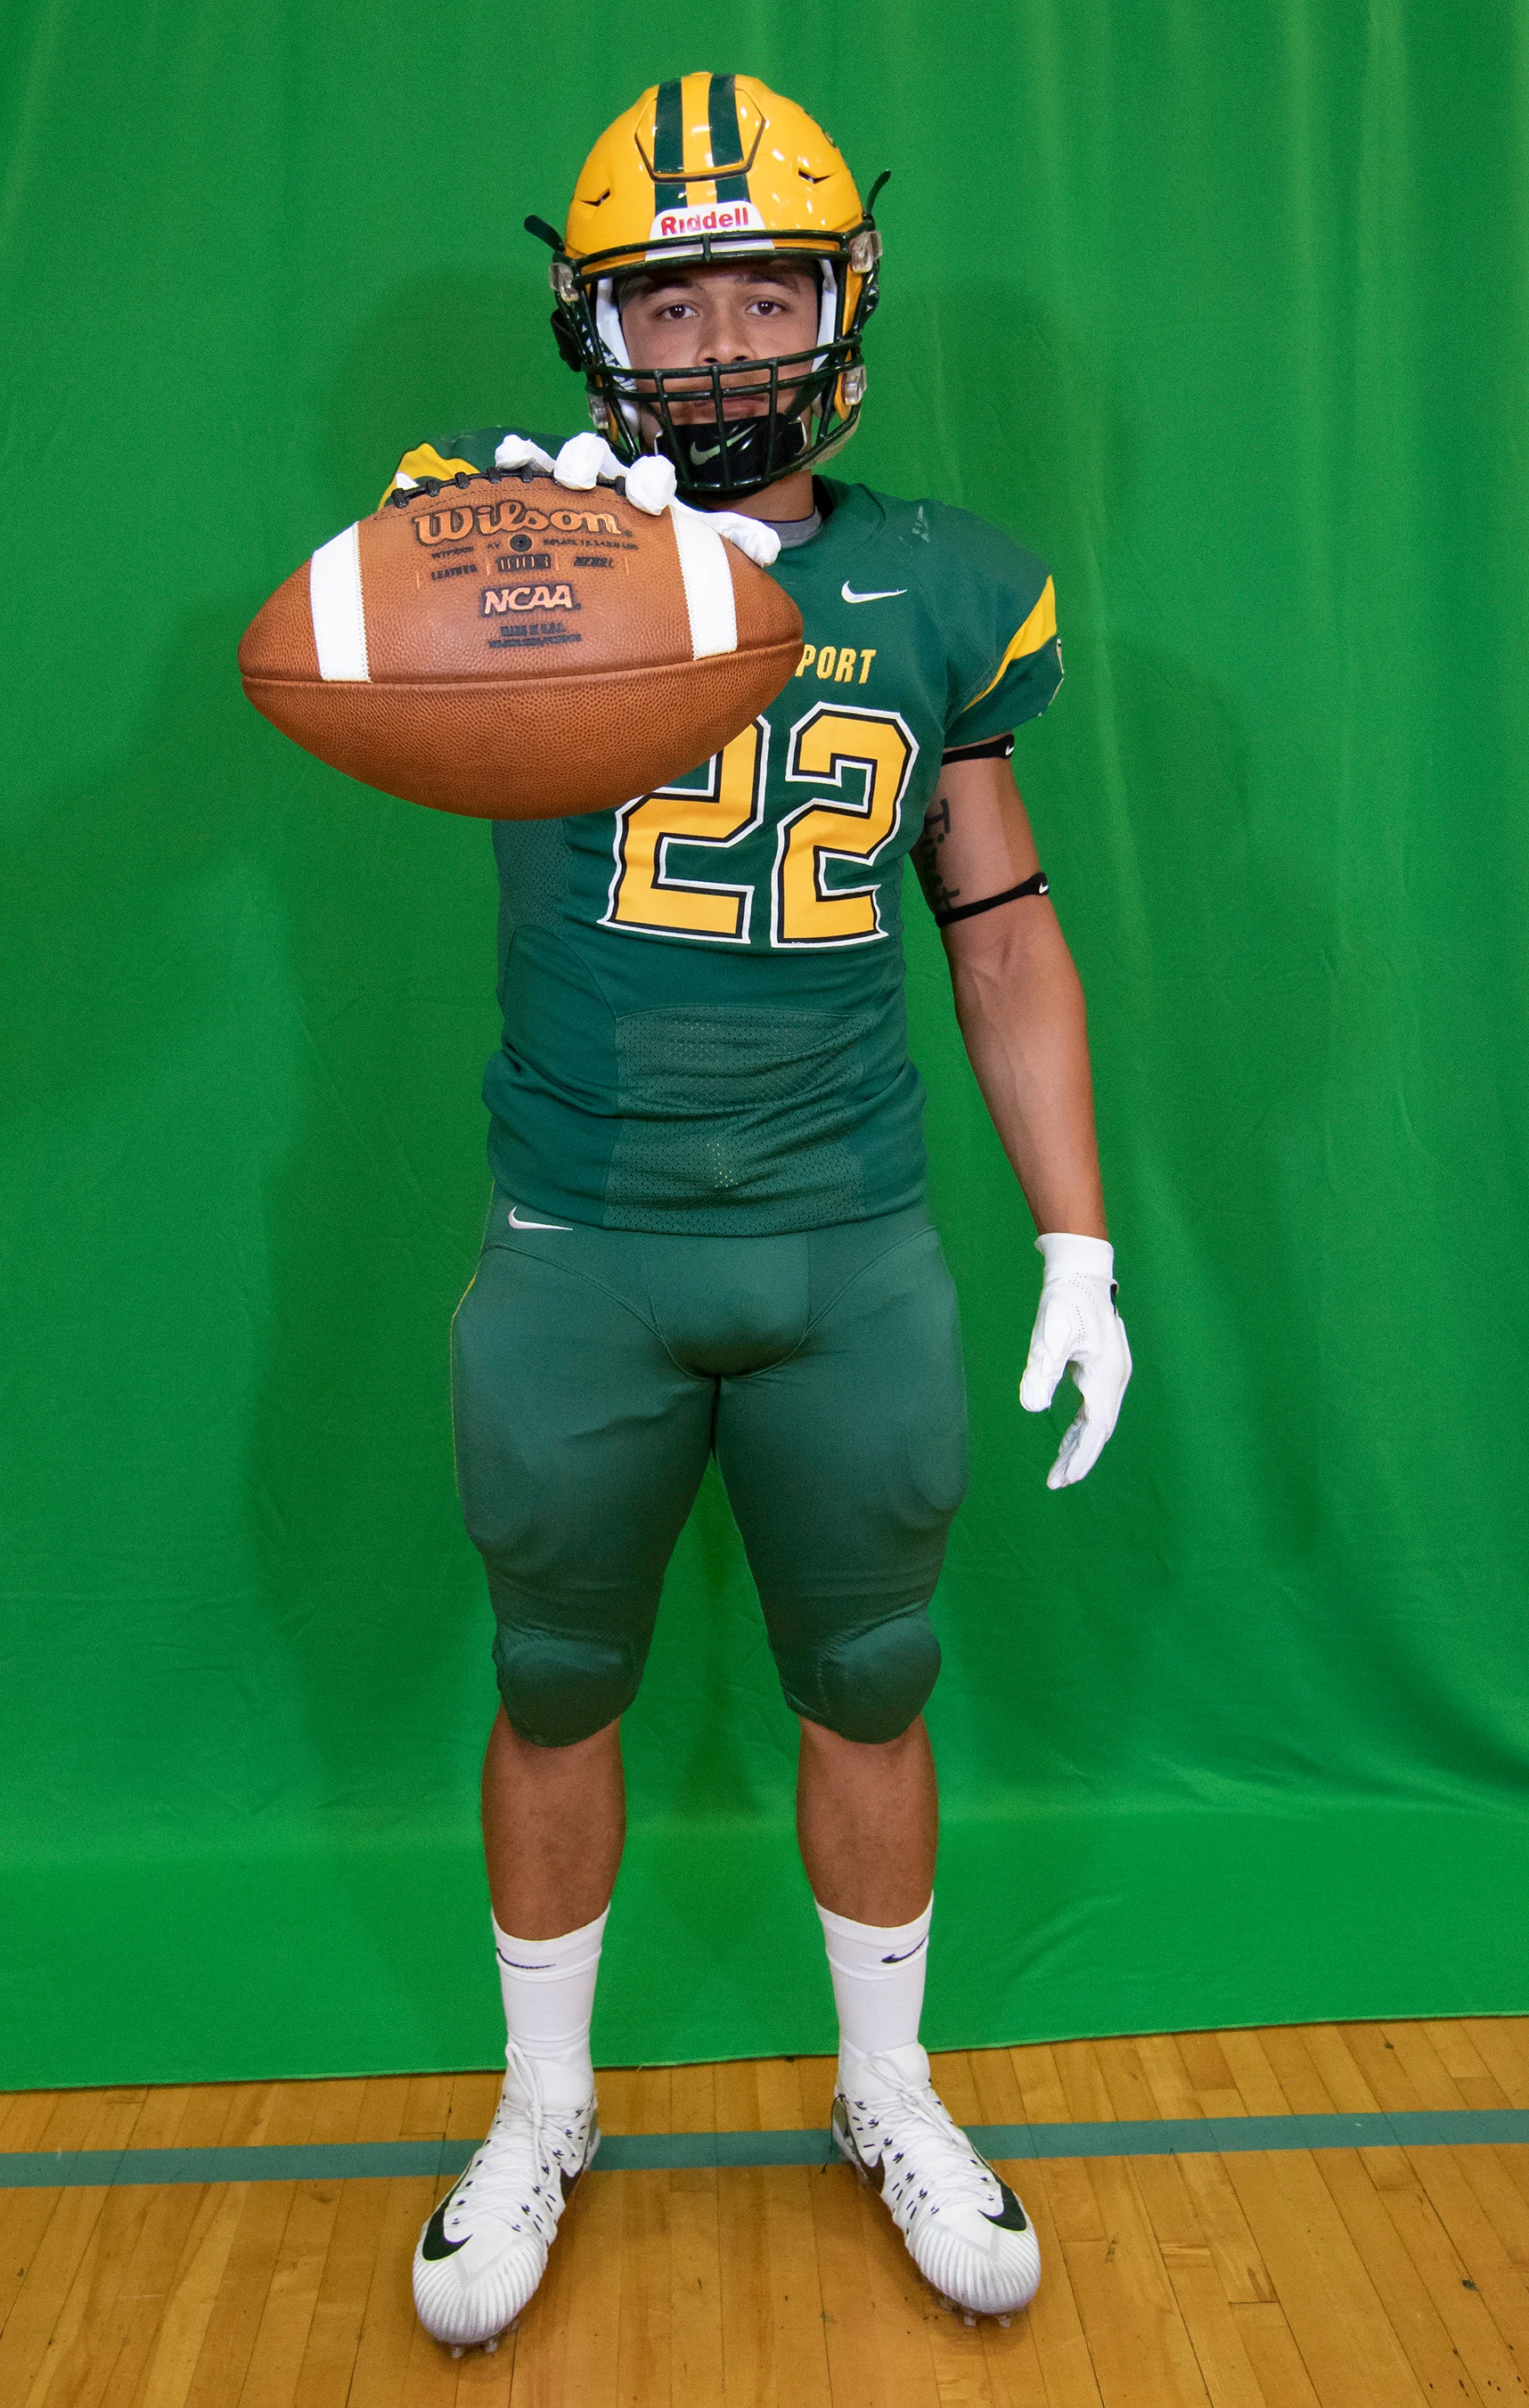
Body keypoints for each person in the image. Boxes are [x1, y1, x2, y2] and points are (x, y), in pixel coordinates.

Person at [397, 72, 1132, 2355]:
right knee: (550, 1685)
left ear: (844, 298)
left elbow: (998, 929)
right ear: (589, 326)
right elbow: (356, 595)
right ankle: (542, 2102)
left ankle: (885, 2085)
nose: (716, 341)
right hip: (579, 1250)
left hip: (849, 1249)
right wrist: (513, 564)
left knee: (876, 1682)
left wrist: (1079, 1242)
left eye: (758, 286)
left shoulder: (947, 583)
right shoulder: (502, 543)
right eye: (669, 292)